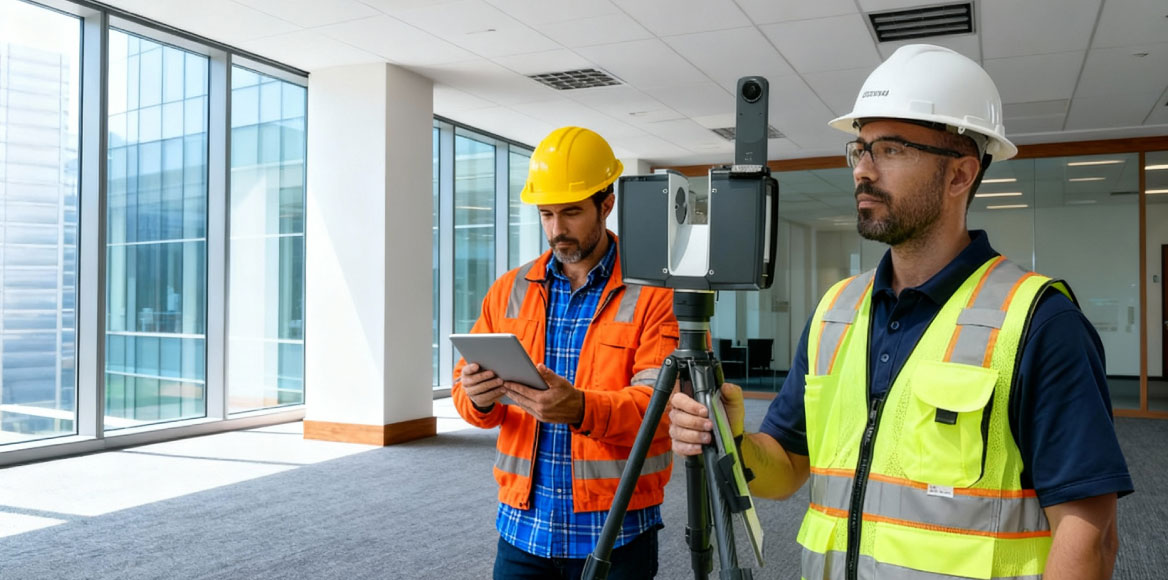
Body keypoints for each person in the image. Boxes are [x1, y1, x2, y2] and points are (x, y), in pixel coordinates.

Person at [669, 44, 1133, 580]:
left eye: (889, 150)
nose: (862, 171)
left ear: (960, 175)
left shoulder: (1039, 322)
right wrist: (737, 441)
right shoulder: (836, 311)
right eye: (860, 148)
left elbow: (1090, 536)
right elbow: (789, 469)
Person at [452, 126, 679, 579]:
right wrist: (476, 396)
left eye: (572, 213)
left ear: (606, 204)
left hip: (615, 532)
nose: (557, 230)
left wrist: (580, 407)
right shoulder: (509, 290)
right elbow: (467, 393)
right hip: (523, 531)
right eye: (546, 214)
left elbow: (665, 409)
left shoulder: (657, 293)